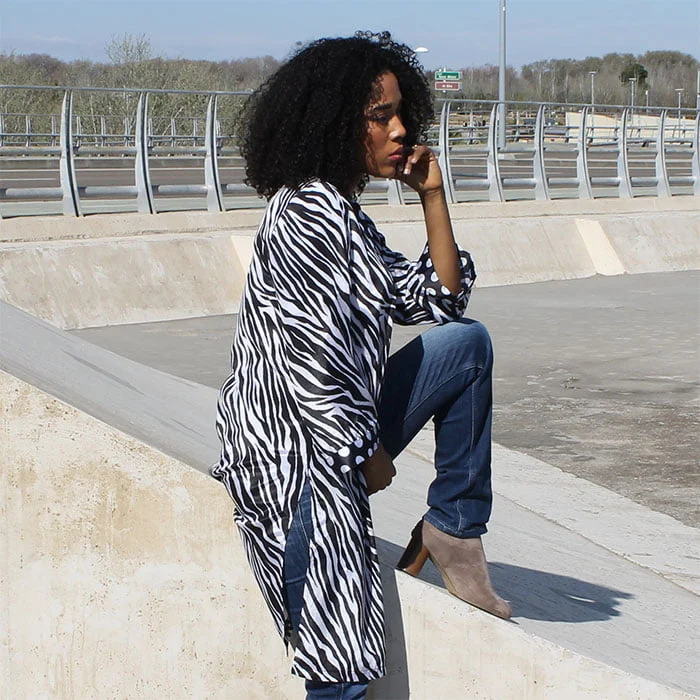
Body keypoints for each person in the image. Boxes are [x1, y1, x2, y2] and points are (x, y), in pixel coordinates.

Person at [211, 31, 511, 700]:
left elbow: (439, 299)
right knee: (339, 667)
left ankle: (453, 529)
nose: (400, 130)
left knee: (465, 346)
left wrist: (432, 195)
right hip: (294, 464)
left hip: (336, 439)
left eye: (401, 113)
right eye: (381, 116)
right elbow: (311, 364)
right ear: (333, 123)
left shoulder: (343, 214)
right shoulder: (304, 215)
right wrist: (369, 454)